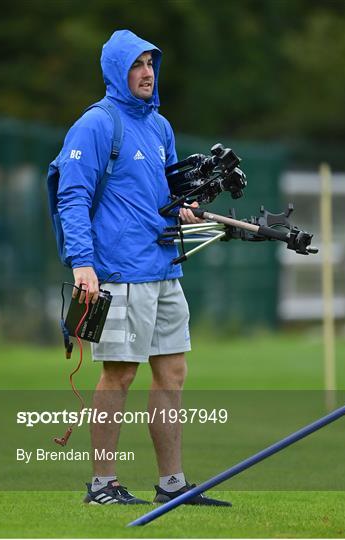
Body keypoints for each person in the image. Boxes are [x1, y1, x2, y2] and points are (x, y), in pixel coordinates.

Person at [56, 29, 230, 506]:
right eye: (137, 65)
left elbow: (169, 196)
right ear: (118, 70)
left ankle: (171, 486)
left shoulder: (160, 127)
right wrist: (82, 264)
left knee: (172, 373)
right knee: (120, 375)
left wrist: (185, 207)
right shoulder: (96, 124)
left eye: (152, 63)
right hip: (118, 271)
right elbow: (71, 196)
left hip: (164, 267)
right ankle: (102, 485)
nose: (147, 73)